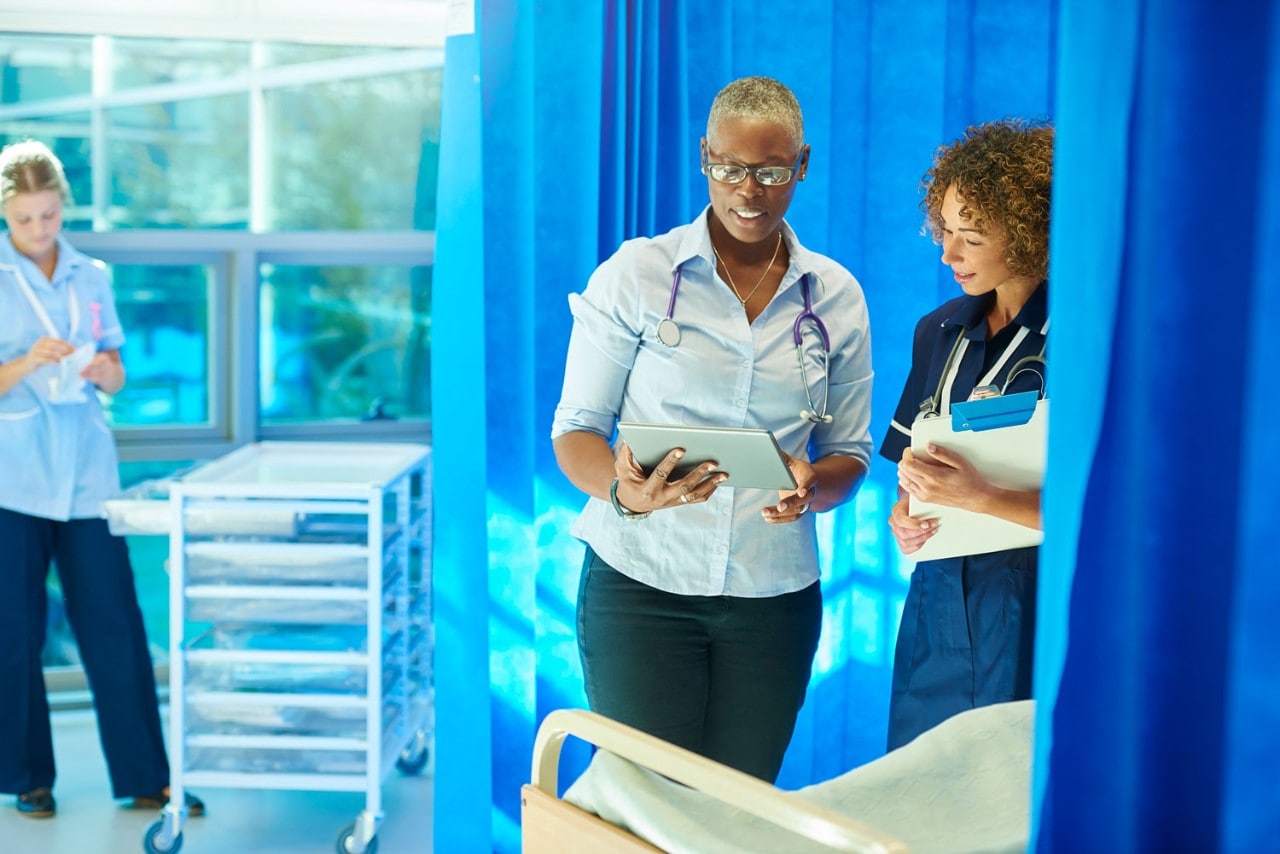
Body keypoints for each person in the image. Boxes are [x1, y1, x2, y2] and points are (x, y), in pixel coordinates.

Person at [551, 77, 873, 782]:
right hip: (641, 584)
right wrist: (623, 492)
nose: (748, 191)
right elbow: (576, 430)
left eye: (770, 171)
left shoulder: (837, 297)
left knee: (737, 804)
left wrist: (814, 487)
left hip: (773, 596)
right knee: (647, 801)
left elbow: (850, 453)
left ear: (804, 164)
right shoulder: (637, 275)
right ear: (704, 157)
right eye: (729, 168)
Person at [0, 140, 203, 818]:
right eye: (25, 219)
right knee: (13, 632)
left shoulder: (91, 275)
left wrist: (102, 371)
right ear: (6, 214)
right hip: (14, 481)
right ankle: (27, 778)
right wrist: (28, 362)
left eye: (49, 215)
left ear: (63, 208)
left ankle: (148, 776)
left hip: (87, 476)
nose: (38, 231)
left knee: (115, 622)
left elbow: (117, 369)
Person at [880, 119, 1053, 750]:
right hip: (938, 600)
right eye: (945, 230)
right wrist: (906, 512)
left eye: (970, 237)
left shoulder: (1079, 338)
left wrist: (982, 498)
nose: (947, 255)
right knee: (920, 784)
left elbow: (1107, 513)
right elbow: (912, 469)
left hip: (1037, 599)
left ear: (1030, 232)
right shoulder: (940, 331)